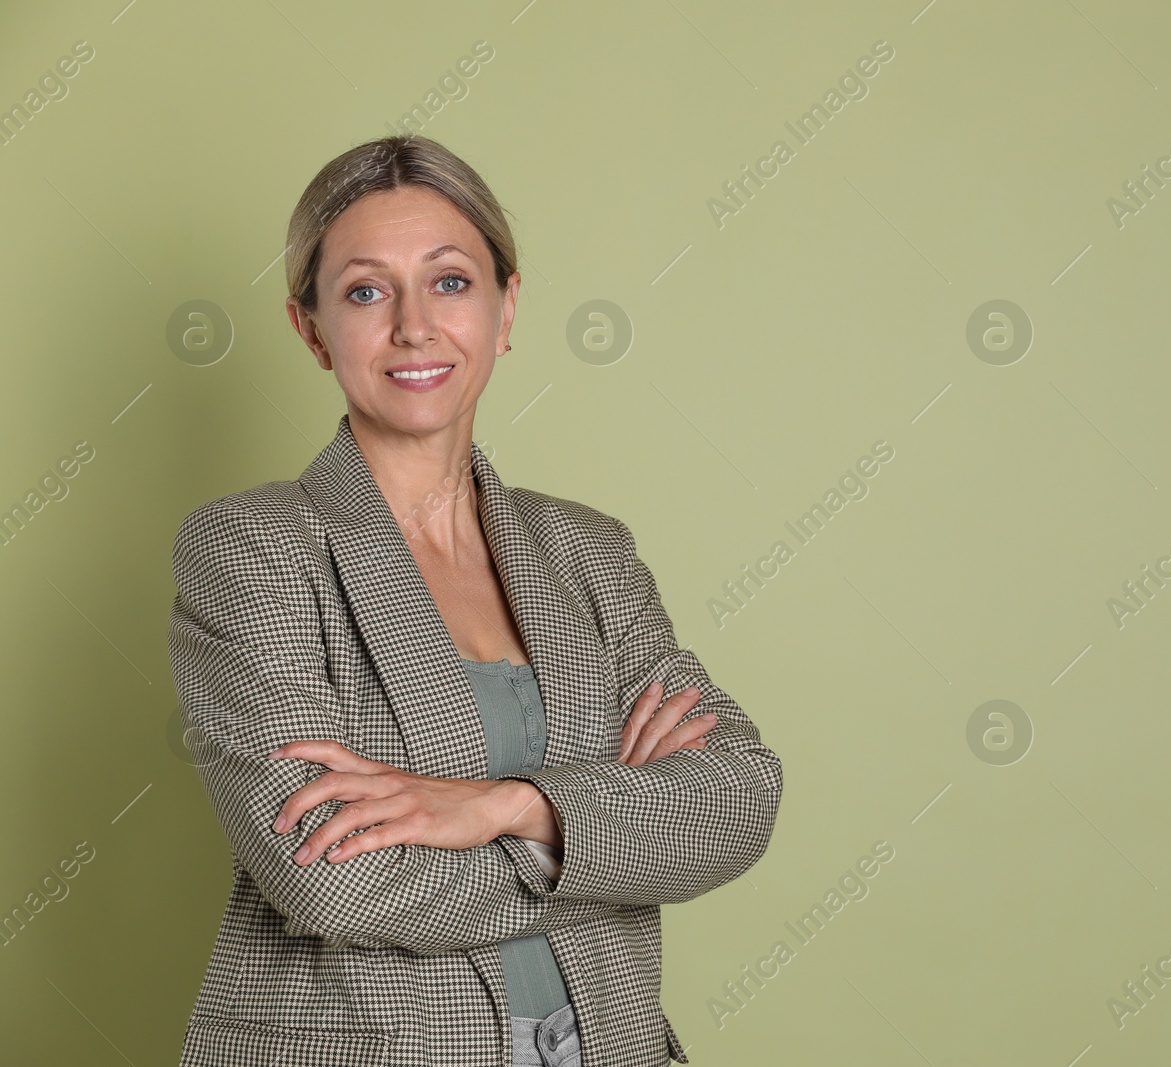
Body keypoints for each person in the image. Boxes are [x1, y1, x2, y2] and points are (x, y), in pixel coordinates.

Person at [167, 134, 783, 1067]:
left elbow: (736, 799)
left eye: (450, 281)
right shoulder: (253, 549)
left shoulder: (587, 551)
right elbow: (335, 884)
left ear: (505, 308)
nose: (415, 325)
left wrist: (504, 805)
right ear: (311, 328)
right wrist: (607, 837)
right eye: (367, 291)